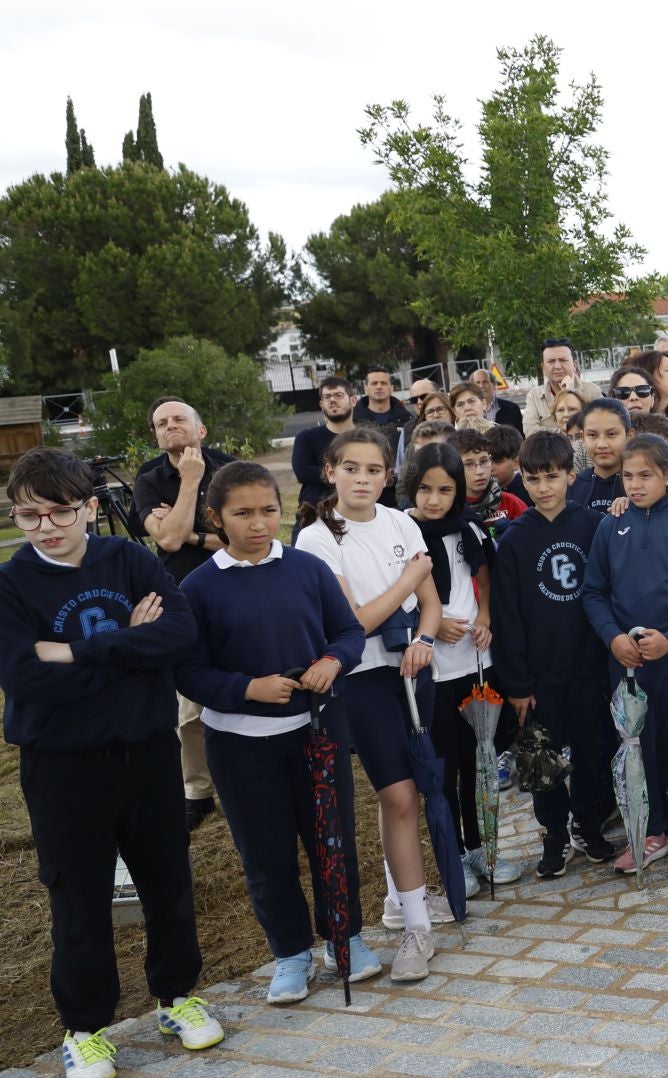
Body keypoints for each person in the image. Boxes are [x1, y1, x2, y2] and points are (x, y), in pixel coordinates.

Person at [0, 447, 225, 1077]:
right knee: (79, 898)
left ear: (91, 508)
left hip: (147, 751)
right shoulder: (11, 584)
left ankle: (177, 996)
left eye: (59, 512)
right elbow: (23, 676)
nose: (45, 527)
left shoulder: (127, 560)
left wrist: (72, 652)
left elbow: (179, 635)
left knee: (166, 881)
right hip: (61, 764)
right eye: (28, 515)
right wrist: (127, 645)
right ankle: (85, 1029)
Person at [175, 461, 366, 1006]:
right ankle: (290, 952)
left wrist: (333, 660)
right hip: (239, 746)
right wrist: (245, 688)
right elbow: (189, 671)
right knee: (267, 853)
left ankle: (344, 938)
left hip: (315, 732)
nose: (258, 524)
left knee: (331, 839)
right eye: (242, 513)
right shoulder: (199, 586)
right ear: (216, 518)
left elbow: (349, 632)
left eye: (268, 511)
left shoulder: (306, 569)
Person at [292, 428, 445, 984]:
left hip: (410, 670)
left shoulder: (400, 521)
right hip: (359, 681)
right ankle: (417, 926)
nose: (363, 479)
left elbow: (428, 604)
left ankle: (402, 900)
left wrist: (426, 640)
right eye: (351, 468)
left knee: (409, 791)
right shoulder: (315, 539)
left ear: (387, 474)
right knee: (396, 792)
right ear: (330, 471)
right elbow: (352, 623)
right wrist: (410, 575)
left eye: (374, 469)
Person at [583, 434, 668, 868]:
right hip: (627, 662)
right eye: (628, 476)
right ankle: (649, 832)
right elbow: (594, 593)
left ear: (667, 475)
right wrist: (614, 638)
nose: (635, 484)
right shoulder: (610, 525)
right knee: (638, 748)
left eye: (646, 475)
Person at [489, 431, 615, 878]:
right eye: (533, 478)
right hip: (539, 677)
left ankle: (588, 825)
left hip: (587, 670)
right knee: (542, 762)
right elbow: (507, 618)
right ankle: (554, 837)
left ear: (570, 476)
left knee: (590, 753)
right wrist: (517, 683)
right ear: (521, 478)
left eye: (552, 477)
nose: (543, 487)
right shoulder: (514, 540)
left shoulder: (591, 526)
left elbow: (607, 592)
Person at [404, 443, 506, 895]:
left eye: (445, 490)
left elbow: (485, 577)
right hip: (431, 668)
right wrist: (433, 621)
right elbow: (396, 592)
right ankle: (452, 859)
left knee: (474, 760)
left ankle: (479, 847)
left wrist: (483, 617)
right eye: (425, 489)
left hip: (472, 662)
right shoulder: (402, 532)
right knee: (442, 770)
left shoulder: (468, 528)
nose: (434, 499)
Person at [133, 398, 237, 831]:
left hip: (236, 587)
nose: (170, 427)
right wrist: (190, 482)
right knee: (189, 702)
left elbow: (245, 538)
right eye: (161, 423)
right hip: (180, 597)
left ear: (202, 430)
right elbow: (170, 542)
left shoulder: (231, 471)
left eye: (179, 419)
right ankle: (197, 790)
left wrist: (191, 531)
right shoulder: (149, 478)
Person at [294, 376, 357, 521]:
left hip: (357, 513)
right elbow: (303, 472)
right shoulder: (306, 437)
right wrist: (348, 474)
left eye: (338, 395)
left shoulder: (366, 439)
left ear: (353, 401)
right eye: (327, 396)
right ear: (322, 404)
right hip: (314, 514)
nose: (332, 400)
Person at [452, 428, 525, 534]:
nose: (479, 471)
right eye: (469, 464)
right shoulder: (450, 508)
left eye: (484, 461)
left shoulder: (511, 503)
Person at [525, 340, 603, 434]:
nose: (557, 366)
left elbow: (601, 426)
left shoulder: (592, 391)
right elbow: (530, 431)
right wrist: (564, 434)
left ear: (574, 365)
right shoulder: (534, 396)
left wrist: (572, 393)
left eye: (563, 360)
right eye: (551, 361)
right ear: (543, 368)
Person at [567, 399, 630, 514]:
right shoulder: (572, 486)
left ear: (629, 436)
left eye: (611, 434)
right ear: (583, 438)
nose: (601, 444)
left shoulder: (639, 486)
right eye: (592, 435)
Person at [352, 367, 412, 450]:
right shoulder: (353, 422)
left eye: (383, 383)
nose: (379, 387)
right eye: (374, 383)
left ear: (392, 388)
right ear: (366, 389)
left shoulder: (407, 421)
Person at [486, 424, 531, 508]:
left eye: (497, 462)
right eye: (485, 461)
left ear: (516, 463)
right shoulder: (480, 491)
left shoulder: (529, 491)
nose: (489, 467)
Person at [467, 366, 523, 432]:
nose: (481, 386)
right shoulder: (467, 411)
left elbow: (520, 437)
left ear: (493, 384)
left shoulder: (512, 408)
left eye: (485, 382)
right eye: (477, 383)